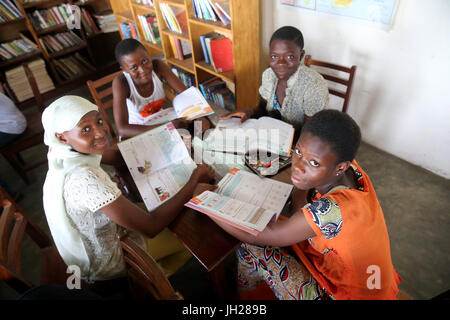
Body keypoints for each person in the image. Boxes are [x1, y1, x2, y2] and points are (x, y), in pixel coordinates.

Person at [207, 110, 402, 300]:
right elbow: (300, 197)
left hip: (350, 294)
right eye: (298, 151)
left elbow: (264, 233)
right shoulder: (349, 169)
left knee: (251, 246)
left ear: (340, 167)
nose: (298, 166)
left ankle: (248, 297)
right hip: (371, 280)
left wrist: (207, 200)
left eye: (314, 163)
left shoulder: (332, 210)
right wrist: (305, 179)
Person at [41, 95, 216, 283]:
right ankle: (151, 280)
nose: (100, 133)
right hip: (111, 261)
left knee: (159, 203)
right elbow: (151, 227)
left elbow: (116, 156)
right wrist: (194, 180)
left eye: (99, 121)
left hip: (110, 231)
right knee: (195, 238)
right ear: (62, 137)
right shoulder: (84, 179)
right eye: (86, 129)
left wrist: (168, 137)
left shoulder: (64, 153)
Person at [220, 26, 329, 129]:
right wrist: (250, 112)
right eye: (274, 56)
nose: (280, 63)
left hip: (296, 143)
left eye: (289, 56)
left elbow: (309, 132)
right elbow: (262, 109)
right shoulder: (269, 75)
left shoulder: (314, 85)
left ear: (301, 55)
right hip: (270, 134)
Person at [112, 38, 210, 139]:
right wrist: (167, 127)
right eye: (134, 68)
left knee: (204, 126)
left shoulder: (158, 67)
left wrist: (199, 116)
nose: (143, 70)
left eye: (145, 61)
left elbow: (185, 94)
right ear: (124, 70)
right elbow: (122, 129)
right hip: (139, 131)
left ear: (149, 55)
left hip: (162, 119)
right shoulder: (121, 83)